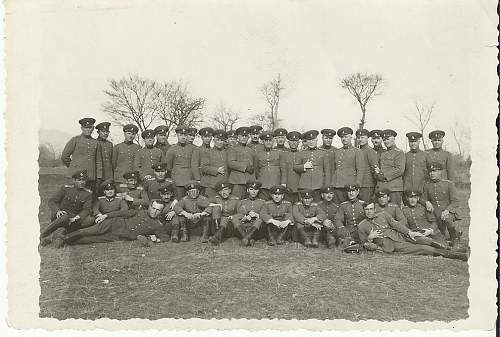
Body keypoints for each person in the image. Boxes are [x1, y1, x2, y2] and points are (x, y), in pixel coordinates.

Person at [357, 202, 467, 261]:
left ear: (374, 209)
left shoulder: (383, 215)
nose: (369, 212)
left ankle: (450, 248)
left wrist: (409, 232)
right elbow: (363, 244)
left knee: (423, 239)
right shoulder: (362, 226)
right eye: (366, 209)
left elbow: (396, 224)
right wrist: (370, 238)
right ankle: (454, 255)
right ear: (363, 210)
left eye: (371, 209)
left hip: (400, 235)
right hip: (393, 244)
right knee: (423, 248)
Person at [51, 199, 170, 248]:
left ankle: (63, 241)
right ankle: (63, 238)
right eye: (153, 208)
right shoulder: (140, 211)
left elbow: (165, 237)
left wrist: (155, 239)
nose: (155, 211)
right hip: (113, 224)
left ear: (161, 211)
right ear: (149, 207)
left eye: (158, 209)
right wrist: (106, 215)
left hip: (120, 236)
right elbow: (122, 213)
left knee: (89, 240)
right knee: (88, 231)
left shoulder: (157, 225)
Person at [40, 170, 93, 243]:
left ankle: (60, 235)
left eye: (83, 180)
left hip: (74, 218)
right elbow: (52, 201)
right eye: (79, 180)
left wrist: (77, 217)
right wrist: (57, 211)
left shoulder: (88, 193)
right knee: (65, 217)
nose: (82, 182)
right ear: (74, 180)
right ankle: (43, 235)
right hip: (61, 216)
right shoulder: (66, 188)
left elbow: (86, 210)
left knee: (90, 220)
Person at [421, 162, 463, 246]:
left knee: (447, 219)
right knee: (440, 236)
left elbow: (455, 201)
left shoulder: (448, 184)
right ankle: (451, 234)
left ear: (440, 172)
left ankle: (453, 237)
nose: (432, 173)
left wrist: (447, 210)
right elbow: (422, 198)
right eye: (430, 171)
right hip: (435, 212)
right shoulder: (427, 185)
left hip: (448, 211)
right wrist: (426, 202)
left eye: (434, 171)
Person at [61, 118, 99, 191]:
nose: (88, 130)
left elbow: (98, 161)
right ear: (82, 128)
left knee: (89, 198)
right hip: (76, 177)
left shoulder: (96, 142)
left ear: (93, 128)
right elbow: (64, 156)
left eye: (90, 127)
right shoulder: (75, 140)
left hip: (90, 177)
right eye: (86, 127)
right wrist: (74, 166)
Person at [293, 130, 330, 201]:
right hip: (304, 186)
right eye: (309, 140)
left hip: (319, 186)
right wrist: (304, 166)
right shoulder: (301, 153)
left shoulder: (323, 153)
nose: (311, 142)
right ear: (306, 141)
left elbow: (327, 171)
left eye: (313, 140)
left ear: (316, 140)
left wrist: (326, 187)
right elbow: (295, 167)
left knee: (318, 206)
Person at [331, 127, 363, 203]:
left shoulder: (357, 151)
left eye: (346, 137)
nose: (344, 139)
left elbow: (360, 170)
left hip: (350, 187)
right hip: (337, 186)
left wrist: (357, 186)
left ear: (351, 137)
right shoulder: (338, 151)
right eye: (342, 137)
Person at [375, 129, 405, 206]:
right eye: (384, 140)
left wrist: (383, 175)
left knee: (394, 211)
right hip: (382, 188)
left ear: (394, 139)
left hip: (394, 188)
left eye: (388, 139)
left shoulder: (399, 152)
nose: (386, 142)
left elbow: (399, 170)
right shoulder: (383, 153)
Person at [232, 181, 266, 247]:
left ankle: (245, 238)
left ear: (258, 190)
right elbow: (238, 215)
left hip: (256, 229)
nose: (253, 192)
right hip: (243, 228)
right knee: (234, 218)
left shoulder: (263, 202)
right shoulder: (242, 202)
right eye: (251, 189)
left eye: (256, 189)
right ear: (247, 190)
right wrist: (243, 218)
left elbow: (264, 215)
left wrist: (256, 215)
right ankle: (248, 238)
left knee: (259, 220)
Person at [166, 125, 196, 199]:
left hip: (190, 180)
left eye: (185, 135)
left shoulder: (193, 149)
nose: (183, 137)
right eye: (181, 135)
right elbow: (168, 167)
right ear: (177, 135)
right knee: (179, 201)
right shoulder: (172, 149)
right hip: (177, 181)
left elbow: (195, 165)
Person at [255, 131, 286, 200]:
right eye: (266, 141)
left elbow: (283, 169)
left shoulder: (279, 153)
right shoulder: (258, 154)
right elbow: (256, 169)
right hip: (263, 184)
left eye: (270, 140)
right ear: (263, 142)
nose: (268, 142)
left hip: (276, 183)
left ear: (273, 141)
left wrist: (283, 182)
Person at [227, 126, 256, 199]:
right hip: (238, 181)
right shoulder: (233, 149)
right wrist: (245, 167)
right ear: (238, 137)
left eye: (246, 136)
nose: (244, 138)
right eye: (242, 136)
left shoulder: (250, 150)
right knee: (236, 202)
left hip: (250, 181)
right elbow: (231, 163)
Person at [200, 129, 228, 198]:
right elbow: (203, 168)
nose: (220, 142)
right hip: (211, 185)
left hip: (225, 185)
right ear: (213, 140)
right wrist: (216, 170)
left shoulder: (227, 152)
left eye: (221, 140)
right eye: (218, 140)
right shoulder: (208, 152)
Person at [356, 128, 378, 203]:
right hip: (358, 184)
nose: (360, 139)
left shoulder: (370, 151)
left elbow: (375, 169)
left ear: (367, 138)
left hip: (367, 185)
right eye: (358, 137)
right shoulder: (357, 150)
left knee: (366, 205)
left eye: (363, 137)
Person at [281, 131, 302, 204]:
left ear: (299, 142)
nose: (294, 143)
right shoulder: (284, 155)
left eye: (296, 141)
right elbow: (283, 170)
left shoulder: (302, 154)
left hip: (300, 185)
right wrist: (284, 184)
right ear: (288, 142)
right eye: (292, 141)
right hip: (288, 186)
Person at [191, 127, 213, 192]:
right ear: (202, 138)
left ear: (211, 138)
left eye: (209, 137)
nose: (207, 139)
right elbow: (194, 165)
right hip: (202, 179)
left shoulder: (213, 150)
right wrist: (198, 179)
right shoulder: (197, 150)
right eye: (205, 137)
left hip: (212, 179)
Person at [95, 122, 114, 190]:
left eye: (107, 131)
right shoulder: (94, 143)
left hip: (109, 175)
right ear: (98, 132)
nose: (105, 133)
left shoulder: (110, 144)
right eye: (103, 131)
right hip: (97, 175)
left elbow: (112, 161)